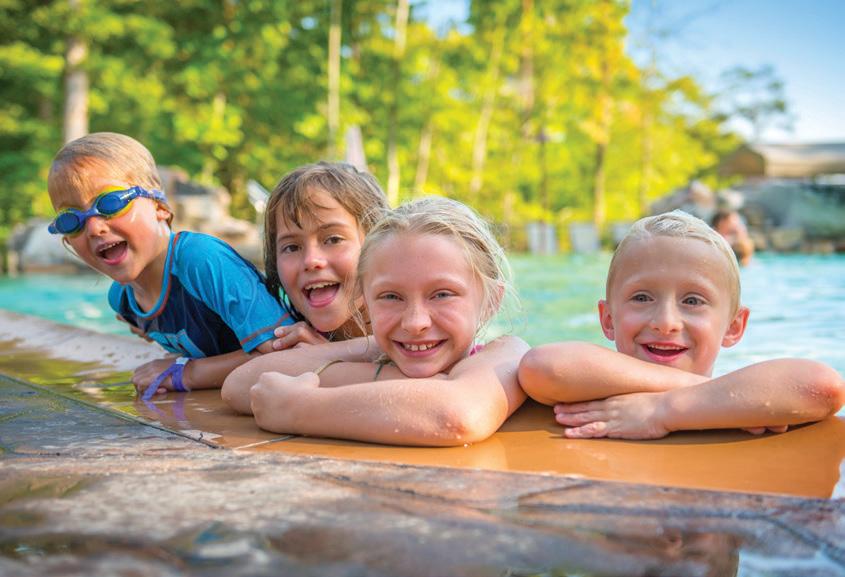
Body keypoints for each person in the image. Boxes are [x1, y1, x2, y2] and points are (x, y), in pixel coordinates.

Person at [222, 197, 529, 446]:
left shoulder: (506, 354)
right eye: (390, 297)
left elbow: (457, 416)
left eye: (442, 295)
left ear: (491, 300)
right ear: (365, 300)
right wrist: (367, 349)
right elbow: (241, 385)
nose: (414, 323)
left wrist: (299, 409)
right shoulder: (379, 353)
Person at [518, 210, 844, 439]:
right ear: (608, 319)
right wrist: (718, 394)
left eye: (693, 301)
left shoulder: (740, 397)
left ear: (734, 326)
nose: (666, 323)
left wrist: (661, 410)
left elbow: (823, 386)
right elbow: (542, 366)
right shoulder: (742, 399)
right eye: (642, 297)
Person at [46, 132, 294, 398]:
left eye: (110, 203)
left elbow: (287, 355)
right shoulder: (124, 301)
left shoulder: (201, 260)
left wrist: (185, 372)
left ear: (159, 206)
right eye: (70, 220)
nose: (94, 228)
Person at [262, 161, 389, 349]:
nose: (311, 260)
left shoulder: (417, 326)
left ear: (379, 243)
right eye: (292, 247)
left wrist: (329, 354)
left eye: (333, 239)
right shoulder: (290, 336)